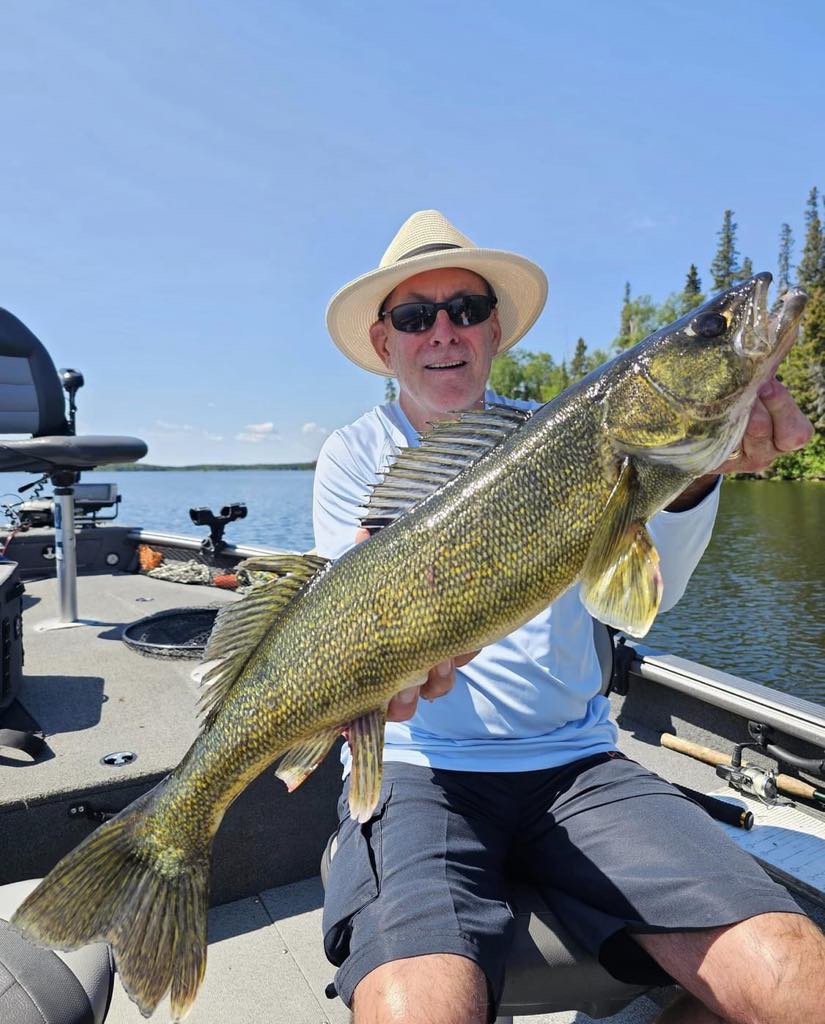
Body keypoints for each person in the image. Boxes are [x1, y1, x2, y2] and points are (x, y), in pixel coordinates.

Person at [313, 209, 825, 1024]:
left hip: (577, 769)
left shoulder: (553, 432)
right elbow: (355, 620)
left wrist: (692, 476)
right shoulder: (353, 455)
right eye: (415, 316)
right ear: (385, 345)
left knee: (795, 975)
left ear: (494, 332)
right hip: (419, 769)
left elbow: (632, 598)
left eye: (467, 310)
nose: (443, 330)